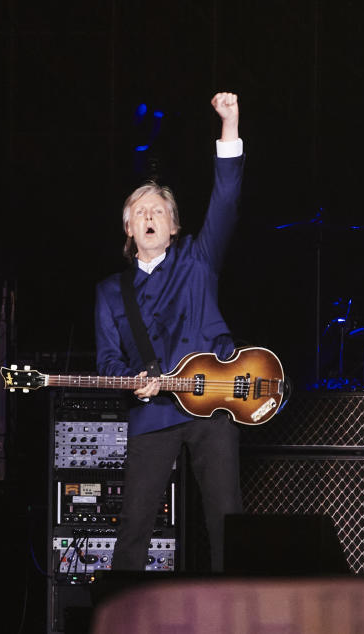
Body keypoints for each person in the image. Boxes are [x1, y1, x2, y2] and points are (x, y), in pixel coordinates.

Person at [95, 92, 244, 572]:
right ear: (127, 229)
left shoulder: (199, 262)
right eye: (139, 212)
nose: (149, 217)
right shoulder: (110, 292)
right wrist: (135, 381)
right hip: (153, 413)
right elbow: (108, 362)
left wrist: (229, 125)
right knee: (134, 527)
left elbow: (225, 199)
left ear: (175, 225)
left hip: (212, 407)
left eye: (158, 210)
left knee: (226, 523)